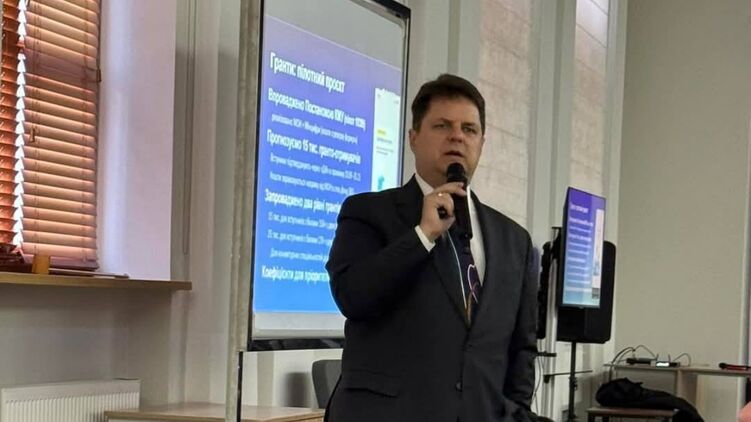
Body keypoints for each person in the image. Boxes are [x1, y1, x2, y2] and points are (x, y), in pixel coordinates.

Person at [325, 74, 538, 421]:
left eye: (469, 129)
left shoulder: (514, 241)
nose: (457, 136)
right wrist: (422, 236)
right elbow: (353, 296)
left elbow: (522, 349)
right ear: (413, 138)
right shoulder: (368, 212)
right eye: (442, 126)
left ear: (482, 142)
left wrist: (516, 413)